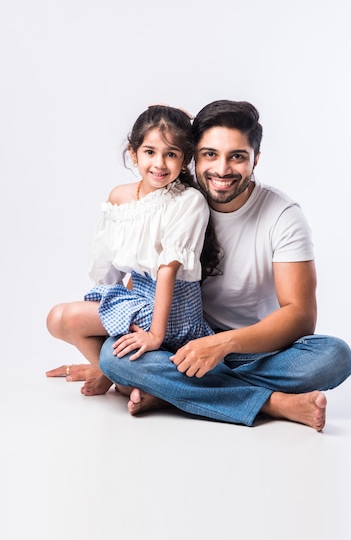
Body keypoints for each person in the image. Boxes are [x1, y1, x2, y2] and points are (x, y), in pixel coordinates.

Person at [47, 100, 351, 430]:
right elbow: (141, 277)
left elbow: (300, 316)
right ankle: (273, 403)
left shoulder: (282, 215)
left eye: (237, 156)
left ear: (256, 159)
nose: (222, 169)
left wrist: (223, 344)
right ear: (194, 156)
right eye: (210, 154)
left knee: (334, 356)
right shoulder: (174, 200)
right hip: (178, 347)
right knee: (113, 357)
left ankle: (169, 392)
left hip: (253, 349)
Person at [46, 105, 221, 396]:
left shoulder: (188, 201)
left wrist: (156, 334)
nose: (160, 164)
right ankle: (115, 374)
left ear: (185, 158)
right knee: (57, 319)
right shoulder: (120, 196)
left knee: (68, 317)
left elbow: (167, 269)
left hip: (173, 312)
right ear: (133, 153)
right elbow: (109, 266)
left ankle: (122, 376)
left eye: (171, 154)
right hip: (137, 299)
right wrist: (104, 302)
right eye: (150, 152)